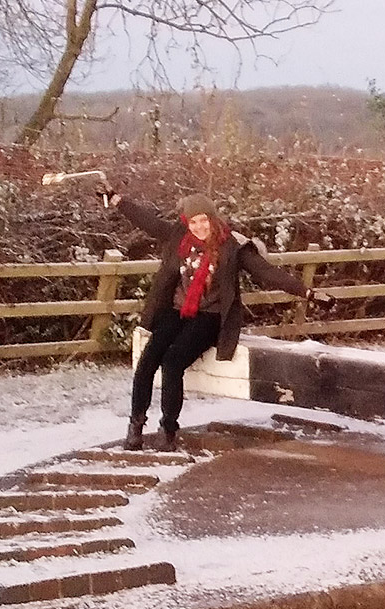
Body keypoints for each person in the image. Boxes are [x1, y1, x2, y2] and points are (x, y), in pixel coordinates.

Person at [103, 187, 330, 451]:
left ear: (213, 219)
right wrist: (118, 200)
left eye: (204, 220)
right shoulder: (179, 236)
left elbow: (266, 273)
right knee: (148, 359)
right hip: (177, 310)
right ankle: (135, 426)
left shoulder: (232, 246)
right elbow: (148, 221)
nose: (199, 227)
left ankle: (168, 430)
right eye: (193, 222)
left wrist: (307, 292)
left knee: (173, 362)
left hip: (209, 316)